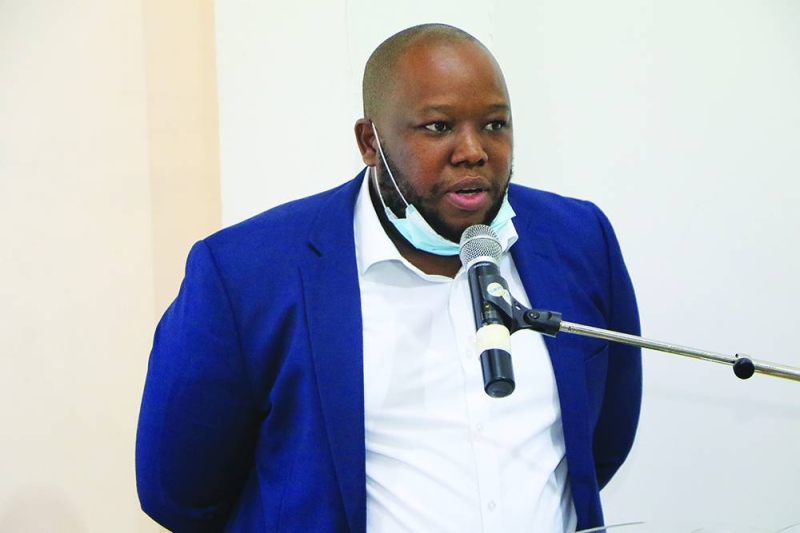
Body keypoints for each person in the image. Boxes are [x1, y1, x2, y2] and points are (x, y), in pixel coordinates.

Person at [136, 23, 642, 533]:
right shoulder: (247, 273)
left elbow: (599, 443)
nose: (473, 150)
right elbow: (178, 492)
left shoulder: (579, 239)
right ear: (369, 142)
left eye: (494, 124)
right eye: (438, 127)